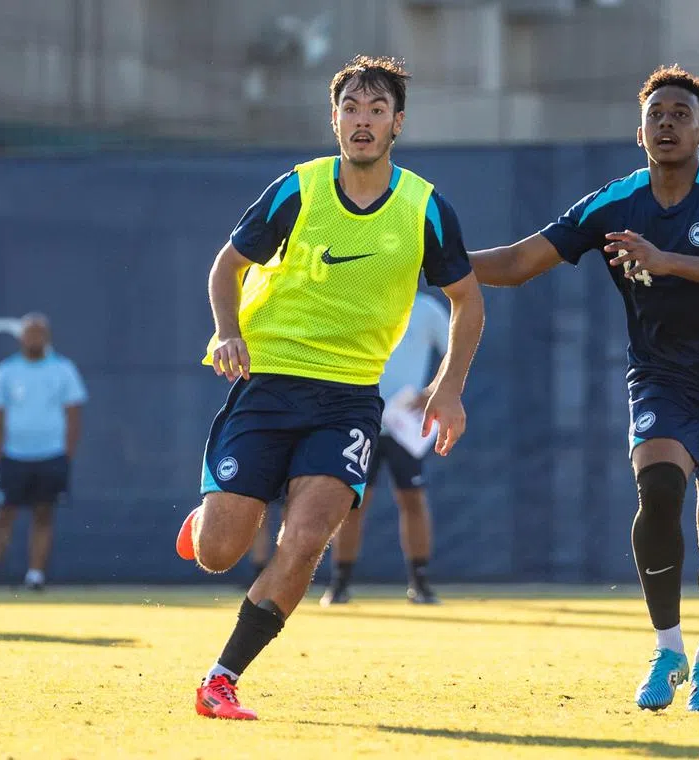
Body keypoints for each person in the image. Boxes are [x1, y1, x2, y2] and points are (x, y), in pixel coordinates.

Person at [174, 55, 484, 721]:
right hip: (267, 385)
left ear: (397, 123)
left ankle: (222, 678)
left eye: (377, 110)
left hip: (347, 400)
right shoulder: (299, 188)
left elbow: (468, 300)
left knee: (307, 537)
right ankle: (204, 521)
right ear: (334, 118)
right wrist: (228, 332)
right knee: (218, 553)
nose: (363, 121)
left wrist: (448, 387)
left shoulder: (425, 207)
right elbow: (226, 267)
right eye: (351, 108)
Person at [469, 65, 699, 713]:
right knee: (660, 486)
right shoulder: (616, 201)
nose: (668, 122)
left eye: (680, 114)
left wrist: (667, 262)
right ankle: (667, 649)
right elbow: (522, 262)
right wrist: (431, 260)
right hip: (663, 375)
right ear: (638, 132)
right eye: (656, 114)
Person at [321, 289, 450, 606]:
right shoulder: (358, 302)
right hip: (361, 420)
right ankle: (339, 584)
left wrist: (433, 390)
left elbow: (456, 351)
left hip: (405, 425)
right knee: (354, 502)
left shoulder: (427, 309)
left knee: (413, 499)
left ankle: (419, 583)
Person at [0, 313, 87, 592]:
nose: (34, 338)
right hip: (14, 457)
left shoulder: (63, 369)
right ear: (21, 338)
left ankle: (35, 577)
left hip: (51, 456)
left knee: (43, 514)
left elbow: (73, 415)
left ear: (46, 338)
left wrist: (66, 454)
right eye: (29, 333)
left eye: (39, 333)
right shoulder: (7, 371)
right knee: (3, 515)